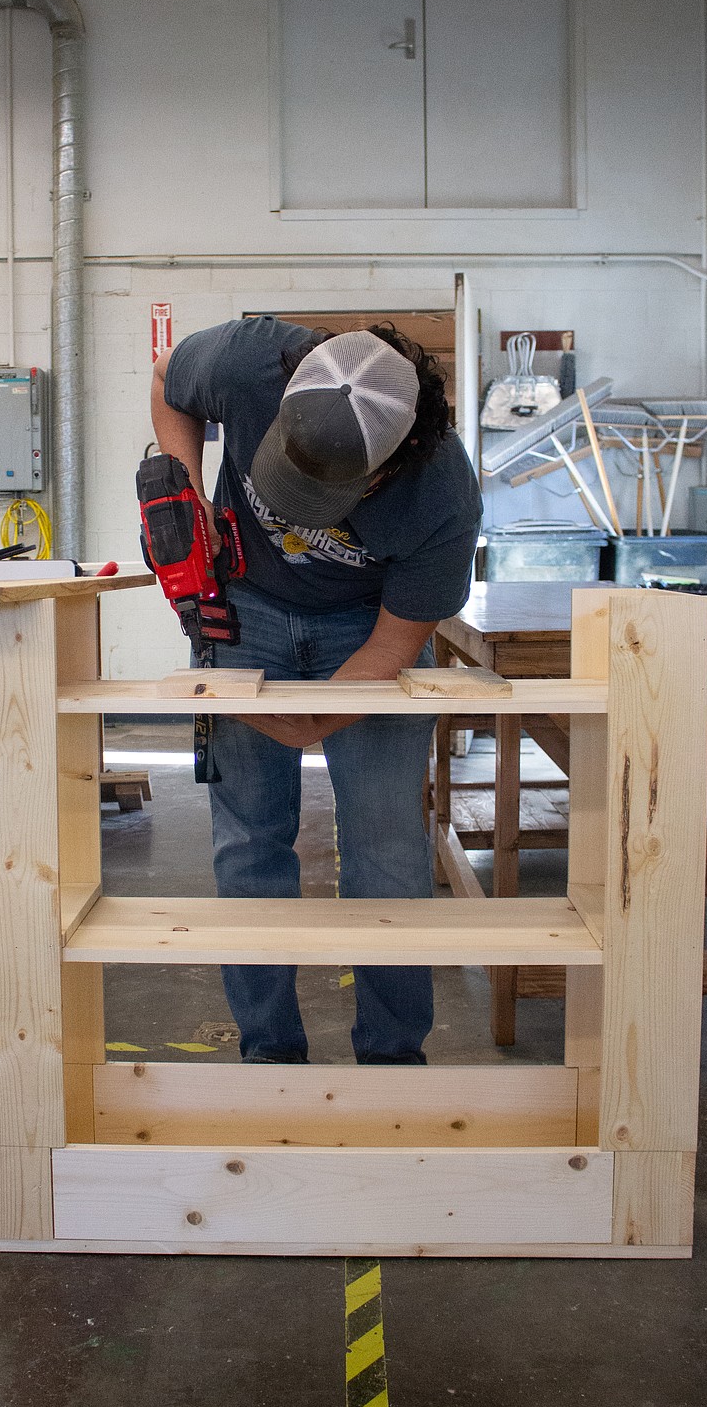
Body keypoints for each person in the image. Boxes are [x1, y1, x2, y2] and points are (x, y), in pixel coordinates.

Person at [151, 315, 481, 1065]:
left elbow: (393, 647)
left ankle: (394, 1064)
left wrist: (294, 719)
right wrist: (189, 491)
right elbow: (169, 381)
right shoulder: (253, 360)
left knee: (388, 852)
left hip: (364, 627)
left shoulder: (441, 497)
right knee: (248, 846)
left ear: (389, 467)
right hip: (246, 607)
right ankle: (269, 1056)